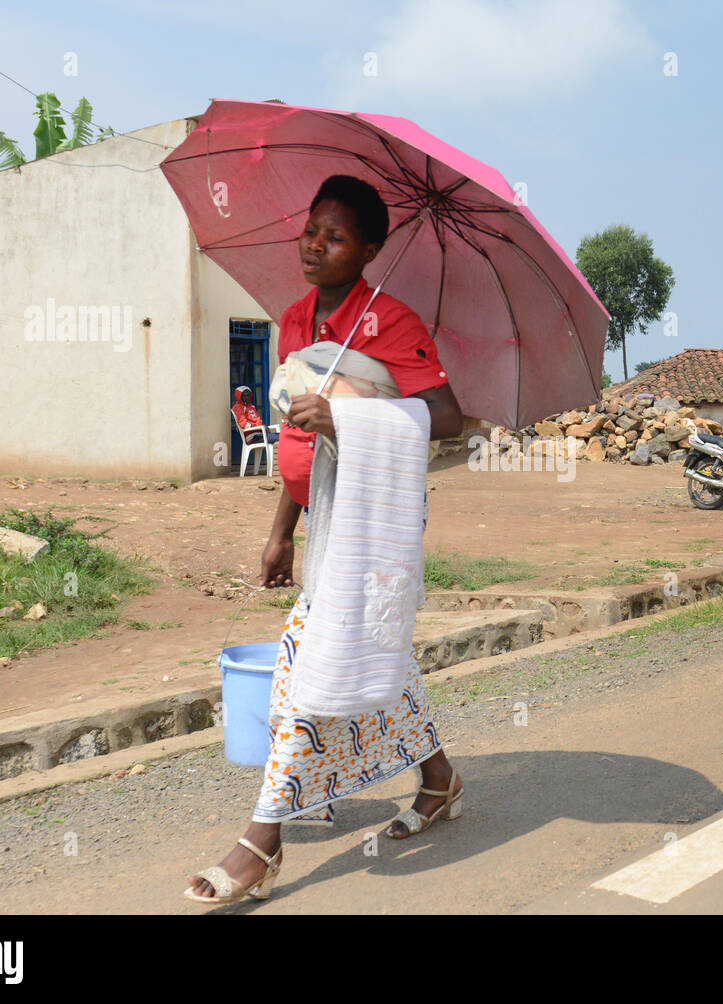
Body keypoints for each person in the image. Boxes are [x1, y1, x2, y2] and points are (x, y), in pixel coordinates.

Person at [186, 175, 466, 905]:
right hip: (320, 519)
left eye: (335, 236)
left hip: (370, 522)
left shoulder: (393, 322)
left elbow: (447, 417)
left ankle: (260, 843)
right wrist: (280, 532)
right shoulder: (296, 319)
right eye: (312, 229)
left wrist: (351, 417)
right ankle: (439, 779)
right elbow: (298, 439)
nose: (315, 244)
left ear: (370, 250)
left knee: (308, 670)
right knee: (379, 657)